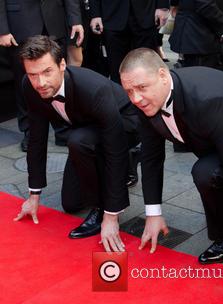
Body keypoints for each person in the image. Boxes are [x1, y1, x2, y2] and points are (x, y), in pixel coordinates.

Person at [119, 48, 223, 281]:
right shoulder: (146, 102)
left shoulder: (208, 99)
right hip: (219, 137)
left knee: (208, 172)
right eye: (129, 91)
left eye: (142, 88)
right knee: (215, 170)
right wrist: (153, 214)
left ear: (163, 76)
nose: (135, 98)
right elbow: (151, 157)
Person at [14, 35, 140, 252]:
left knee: (79, 141)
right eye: (33, 74)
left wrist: (110, 215)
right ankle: (129, 162)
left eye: (47, 72)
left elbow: (114, 147)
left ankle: (100, 207)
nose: (40, 83)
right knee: (71, 204)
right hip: (86, 127)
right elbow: (36, 140)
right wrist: (33, 196)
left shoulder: (93, 88)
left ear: (62, 64)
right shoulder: (30, 86)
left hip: (125, 123)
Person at [0, 0, 84, 152]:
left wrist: (75, 20)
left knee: (59, 80)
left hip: (55, 20)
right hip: (20, 23)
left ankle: (63, 128)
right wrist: (2, 29)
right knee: (25, 83)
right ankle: (30, 131)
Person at [89, 0, 169, 83]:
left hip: (147, 14)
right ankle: (119, 94)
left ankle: (146, 93)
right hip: (111, 15)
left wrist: (163, 6)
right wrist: (95, 14)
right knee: (116, 69)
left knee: (145, 67)